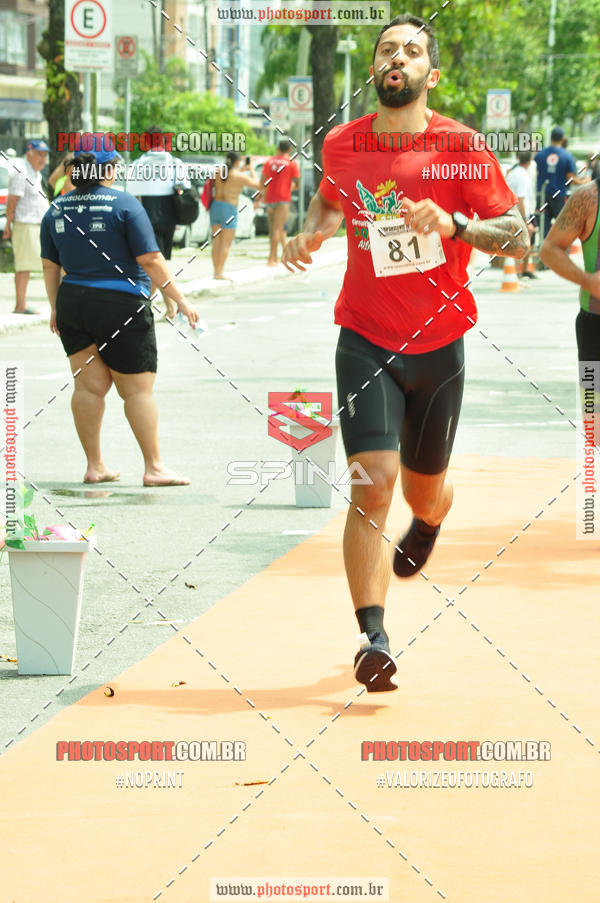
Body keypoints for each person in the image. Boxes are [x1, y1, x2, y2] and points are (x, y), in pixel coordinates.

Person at [282, 14, 528, 692]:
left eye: (413, 50)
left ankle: (430, 519)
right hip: (364, 336)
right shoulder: (342, 145)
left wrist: (455, 223)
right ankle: (372, 635)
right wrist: (312, 233)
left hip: (439, 344)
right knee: (372, 481)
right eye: (388, 48)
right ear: (373, 68)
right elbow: (334, 203)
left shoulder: (462, 148)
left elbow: (518, 236)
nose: (399, 57)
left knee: (423, 489)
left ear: (431, 73)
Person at [40, 140, 199, 486]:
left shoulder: (56, 208)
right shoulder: (125, 204)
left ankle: (95, 465)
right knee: (137, 390)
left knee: (88, 387)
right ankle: (154, 467)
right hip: (121, 303)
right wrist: (181, 300)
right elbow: (151, 259)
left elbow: (50, 265)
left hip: (73, 302)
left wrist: (55, 306)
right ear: (110, 168)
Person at [540, 176, 600, 443]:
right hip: (594, 327)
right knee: (594, 424)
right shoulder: (588, 198)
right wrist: (587, 280)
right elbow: (550, 249)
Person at [127, 127, 190, 319]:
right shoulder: (174, 162)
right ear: (164, 141)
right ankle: (170, 309)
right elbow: (184, 187)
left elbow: (132, 194)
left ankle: (142, 304)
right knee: (159, 263)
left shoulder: (139, 163)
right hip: (169, 220)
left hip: (146, 220)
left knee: (154, 265)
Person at [2, 138, 50, 314]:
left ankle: (22, 303)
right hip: (25, 223)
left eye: (45, 155)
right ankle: (20, 304)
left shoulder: (34, 172)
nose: (43, 159)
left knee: (32, 264)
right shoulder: (21, 170)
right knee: (23, 265)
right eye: (39, 154)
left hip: (35, 223)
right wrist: (8, 223)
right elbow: (13, 198)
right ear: (29, 153)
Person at [210, 151, 260, 279]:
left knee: (216, 242)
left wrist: (242, 169)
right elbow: (257, 184)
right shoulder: (239, 176)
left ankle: (216, 271)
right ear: (238, 161)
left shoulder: (218, 171)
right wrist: (251, 169)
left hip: (215, 206)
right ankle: (219, 272)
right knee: (225, 244)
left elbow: (228, 176)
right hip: (229, 208)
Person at [535, 126, 588, 238]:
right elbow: (570, 178)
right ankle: (559, 251)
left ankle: (545, 251)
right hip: (558, 196)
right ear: (563, 139)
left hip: (542, 196)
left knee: (544, 227)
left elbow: (535, 173)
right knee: (562, 227)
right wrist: (583, 182)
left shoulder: (540, 155)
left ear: (550, 138)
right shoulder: (566, 156)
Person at [261, 139, 300, 266]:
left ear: (278, 148)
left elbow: (263, 182)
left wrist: (264, 196)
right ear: (289, 150)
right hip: (283, 199)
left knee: (272, 230)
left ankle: (274, 257)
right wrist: (290, 187)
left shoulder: (269, 161)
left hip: (270, 199)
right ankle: (271, 258)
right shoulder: (291, 163)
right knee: (279, 229)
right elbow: (298, 183)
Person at [506, 151, 537, 278]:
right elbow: (521, 198)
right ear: (530, 161)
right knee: (523, 243)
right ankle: (519, 272)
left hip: (513, 213)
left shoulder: (513, 173)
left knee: (521, 243)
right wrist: (526, 220)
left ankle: (521, 271)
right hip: (520, 215)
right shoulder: (522, 176)